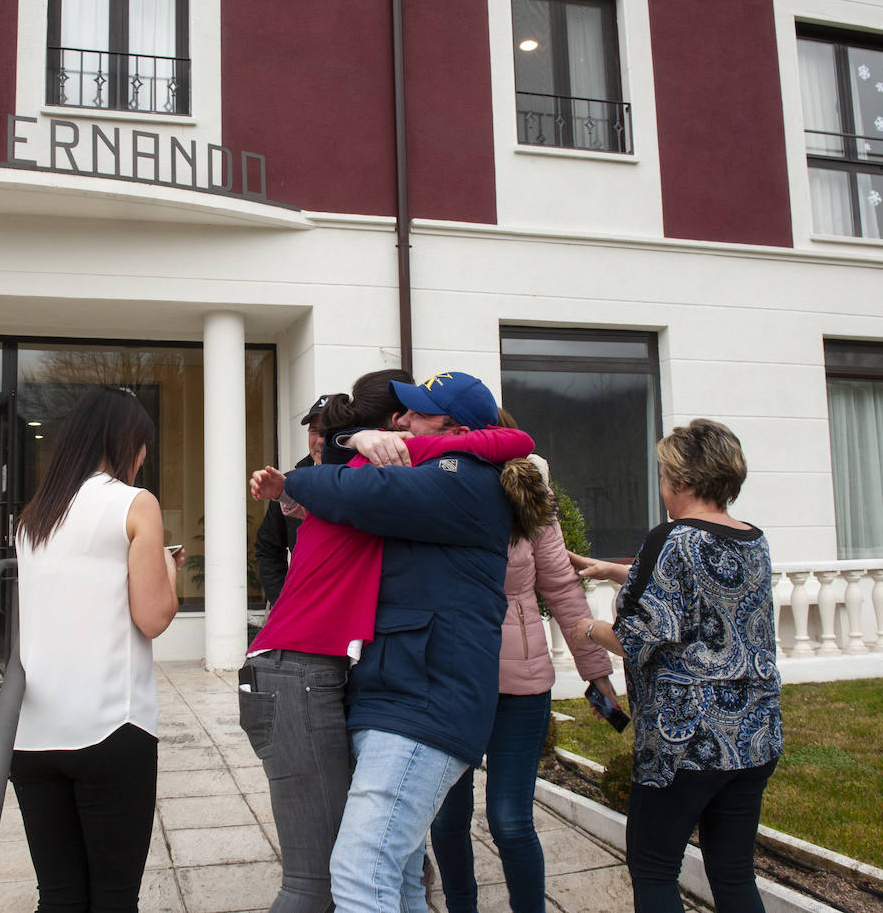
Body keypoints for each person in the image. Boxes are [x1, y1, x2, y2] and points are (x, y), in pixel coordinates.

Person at [242, 369, 534, 913]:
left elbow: (360, 490)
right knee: (397, 880)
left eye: (417, 413)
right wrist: (352, 437)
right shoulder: (444, 464)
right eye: (398, 411)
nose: (402, 421)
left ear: (449, 428)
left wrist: (291, 483)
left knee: (359, 873)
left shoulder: (462, 479)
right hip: (394, 691)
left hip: (426, 703)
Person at [571, 418, 782, 913]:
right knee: (733, 875)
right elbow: (707, 589)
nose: (661, 484)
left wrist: (585, 628)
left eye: (664, 474)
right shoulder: (752, 538)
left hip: (685, 743)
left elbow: (636, 638)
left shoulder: (670, 540)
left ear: (683, 482)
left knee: (653, 868)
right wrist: (617, 570)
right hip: (753, 733)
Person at [9, 386, 183, 913]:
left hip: (32, 735)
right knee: (112, 899)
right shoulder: (134, 503)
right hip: (112, 727)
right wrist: (169, 571)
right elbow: (153, 617)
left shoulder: (32, 515)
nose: (145, 457)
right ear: (128, 441)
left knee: (59, 898)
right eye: (144, 445)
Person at [429, 430, 617, 913]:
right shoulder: (431, 487)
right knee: (447, 817)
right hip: (450, 682)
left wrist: (597, 676)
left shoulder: (530, 497)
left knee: (510, 820)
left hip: (522, 685)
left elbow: (562, 589)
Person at [253, 394, 333, 609]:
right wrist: (283, 601)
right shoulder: (288, 482)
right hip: (302, 613)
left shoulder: (365, 477)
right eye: (314, 431)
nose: (320, 440)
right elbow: (267, 547)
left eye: (328, 431)